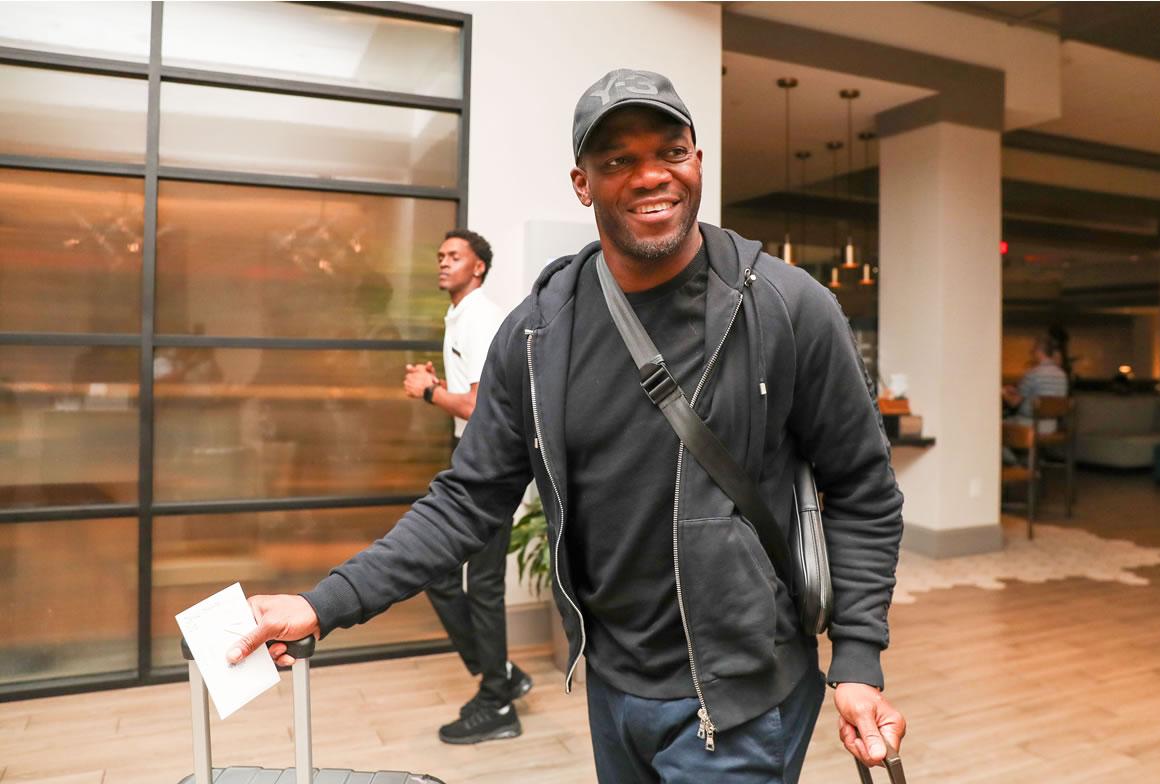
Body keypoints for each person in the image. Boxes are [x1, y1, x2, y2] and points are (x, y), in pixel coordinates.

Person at [228, 68, 906, 782]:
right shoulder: (538, 335)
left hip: (745, 697)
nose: (650, 176)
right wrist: (321, 602)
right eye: (618, 161)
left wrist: (857, 659)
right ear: (582, 183)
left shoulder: (787, 307)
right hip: (615, 691)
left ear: (698, 163)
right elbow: (468, 499)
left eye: (670, 152)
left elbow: (861, 485)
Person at [400, 230, 533, 744]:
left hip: (493, 464)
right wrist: (442, 387)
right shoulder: (459, 314)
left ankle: (498, 703)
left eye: (454, 257)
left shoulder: (479, 316)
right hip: (472, 457)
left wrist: (430, 390)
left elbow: (480, 408)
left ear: (477, 268)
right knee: (440, 574)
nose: (443, 263)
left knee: (482, 585)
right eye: (439, 256)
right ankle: (500, 675)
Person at [1002, 335, 1069, 434]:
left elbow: (1014, 402)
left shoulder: (1033, 373)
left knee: (994, 427)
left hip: (1029, 425)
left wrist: (1002, 391)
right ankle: (1028, 450)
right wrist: (1015, 390)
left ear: (1039, 351)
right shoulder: (1062, 375)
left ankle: (1016, 450)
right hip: (1052, 426)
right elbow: (1043, 395)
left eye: (1033, 350)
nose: (1032, 353)